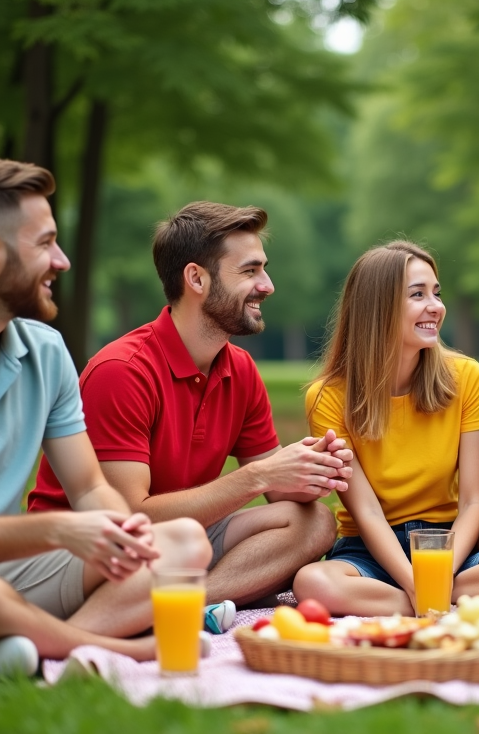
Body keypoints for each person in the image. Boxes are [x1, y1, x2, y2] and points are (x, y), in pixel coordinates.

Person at [0, 156, 211, 673]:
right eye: (44, 243)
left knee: (182, 542)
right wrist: (60, 532)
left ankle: (11, 642)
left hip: (6, 566)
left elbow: (87, 486)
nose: (61, 260)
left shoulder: (46, 350)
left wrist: (125, 534)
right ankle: (111, 651)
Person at [29, 201, 352, 618]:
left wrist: (312, 468)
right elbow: (130, 517)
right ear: (196, 278)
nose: (268, 285)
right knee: (183, 543)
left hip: (186, 539)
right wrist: (258, 475)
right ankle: (159, 604)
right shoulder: (122, 371)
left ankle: (191, 604)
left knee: (314, 523)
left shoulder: (240, 369)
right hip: (91, 551)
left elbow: (278, 491)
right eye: (250, 271)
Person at [292, 241, 479, 617]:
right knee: (312, 583)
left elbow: (474, 502)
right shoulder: (327, 396)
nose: (436, 306)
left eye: (436, 292)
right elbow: (365, 511)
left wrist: (439, 570)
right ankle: (459, 606)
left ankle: (415, 604)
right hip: (369, 547)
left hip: (447, 542)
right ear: (378, 308)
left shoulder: (466, 377)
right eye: (418, 294)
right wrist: (418, 583)